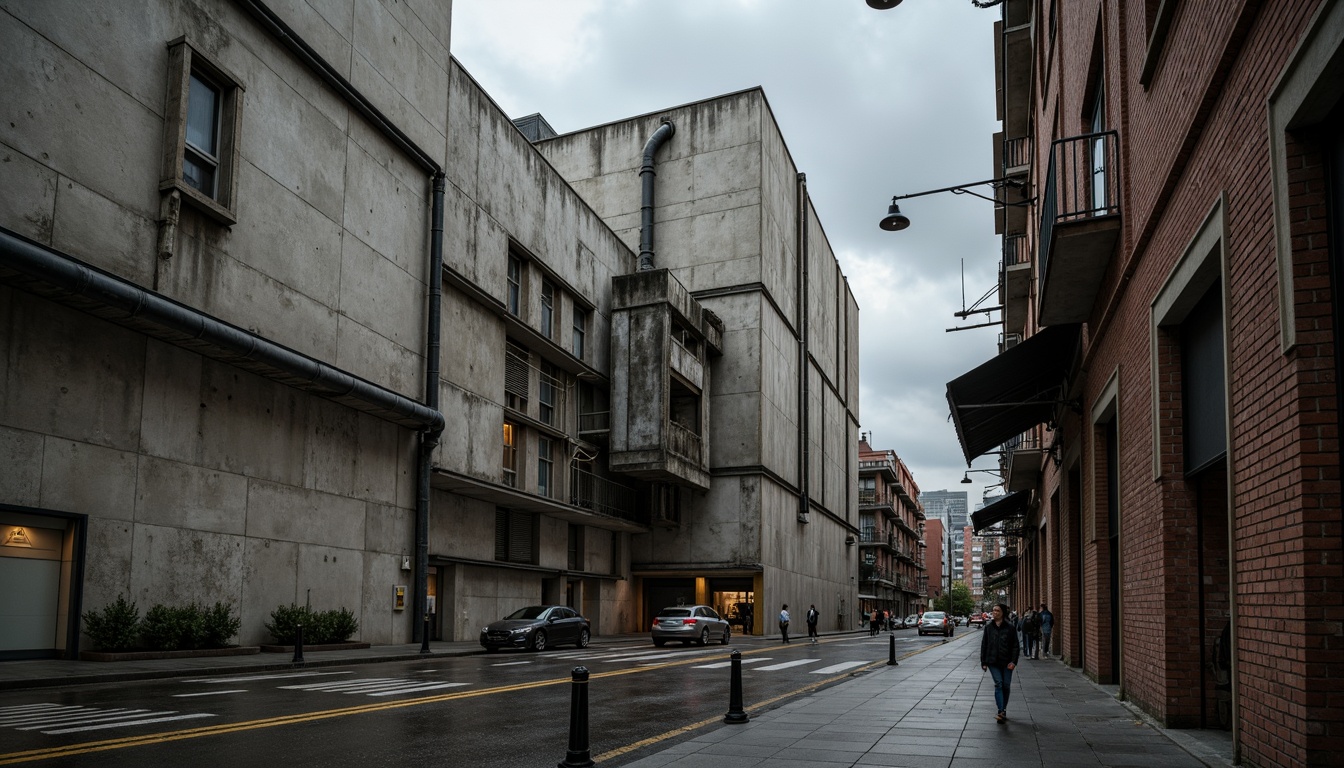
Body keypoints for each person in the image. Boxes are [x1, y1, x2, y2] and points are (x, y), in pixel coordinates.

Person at [980, 603, 1020, 723]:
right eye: (993, 610)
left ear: (1002, 613)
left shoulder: (1010, 627)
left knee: (1006, 685)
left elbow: (1015, 646)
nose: (994, 612)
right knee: (999, 684)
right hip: (993, 661)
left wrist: (1013, 661)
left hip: (1007, 662)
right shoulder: (988, 627)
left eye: (997, 610)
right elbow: (984, 645)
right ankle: (1001, 710)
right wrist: (984, 661)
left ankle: (1003, 709)